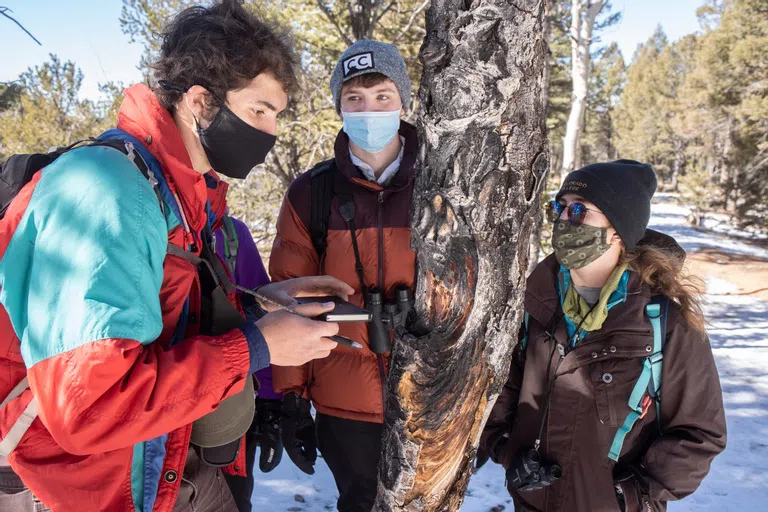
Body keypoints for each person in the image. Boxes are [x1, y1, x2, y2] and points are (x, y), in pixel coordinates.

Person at [0, 1, 353, 511]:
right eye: (258, 110)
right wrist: (257, 348)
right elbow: (89, 407)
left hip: (159, 454)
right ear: (200, 102)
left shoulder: (180, 193)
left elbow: (160, 316)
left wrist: (258, 306)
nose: (271, 133)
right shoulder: (107, 194)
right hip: (76, 486)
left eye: (277, 115)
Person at [480, 160, 727, 511]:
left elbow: (701, 434)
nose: (565, 220)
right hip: (532, 503)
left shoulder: (665, 324)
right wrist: (508, 449)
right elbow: (501, 388)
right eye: (560, 207)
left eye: (580, 210)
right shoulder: (533, 304)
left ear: (618, 230)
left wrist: (630, 493)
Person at [270, 40, 417, 512]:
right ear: (339, 107)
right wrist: (291, 398)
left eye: (382, 96)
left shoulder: (444, 181)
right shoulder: (311, 193)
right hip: (342, 399)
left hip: (429, 390)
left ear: (403, 102)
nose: (368, 109)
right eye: (354, 98)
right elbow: (288, 301)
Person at [213, 214, 284, 512]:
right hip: (157, 425)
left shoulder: (232, 235)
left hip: (233, 420)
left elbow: (262, 322)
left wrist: (271, 409)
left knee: (233, 502)